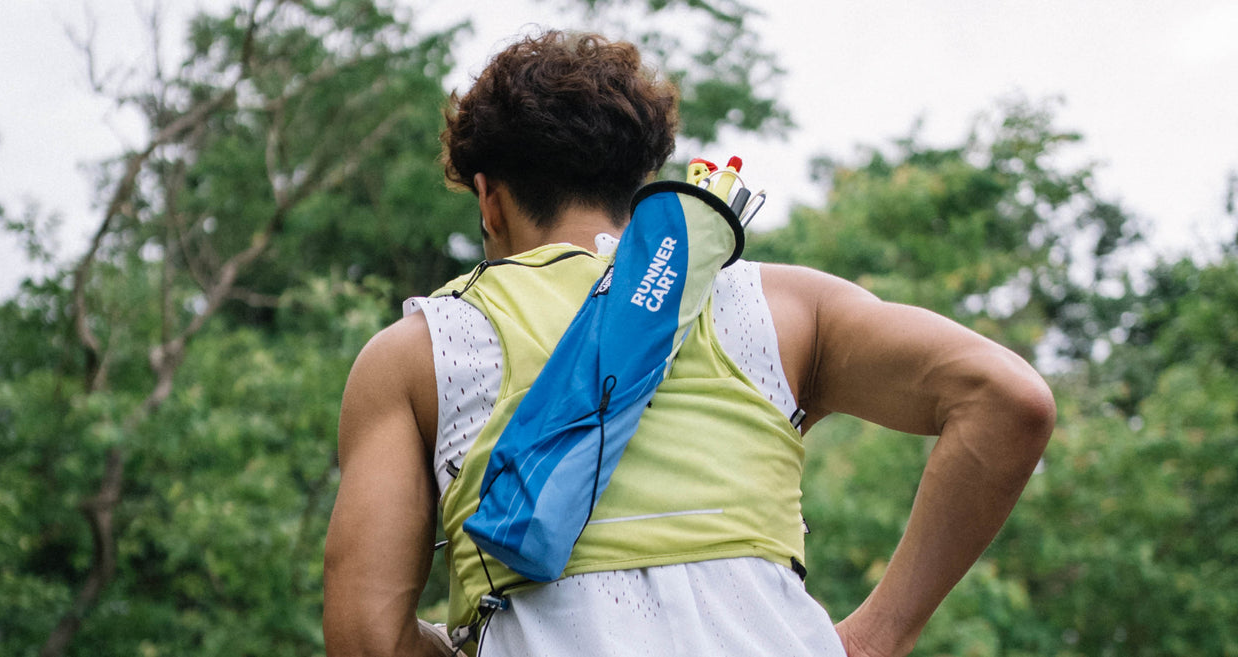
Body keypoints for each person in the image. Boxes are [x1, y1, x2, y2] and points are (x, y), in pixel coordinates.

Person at [322, 30, 1054, 657]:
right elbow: (1008, 398)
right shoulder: (782, 306)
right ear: (639, 178)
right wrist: (874, 637)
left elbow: (366, 640)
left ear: (489, 198)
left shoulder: (424, 350)